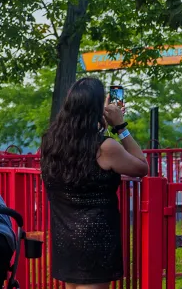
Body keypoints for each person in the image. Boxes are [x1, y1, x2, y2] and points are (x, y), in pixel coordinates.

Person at [40, 77, 150, 289]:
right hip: (96, 240)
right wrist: (121, 127)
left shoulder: (51, 142)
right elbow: (141, 166)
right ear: (96, 109)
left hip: (64, 238)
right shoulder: (105, 147)